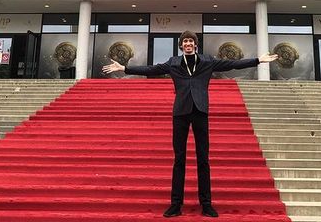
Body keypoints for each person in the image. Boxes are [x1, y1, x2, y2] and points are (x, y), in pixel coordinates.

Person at [102, 30, 278, 218]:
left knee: (203, 159)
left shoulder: (207, 61)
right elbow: (152, 69)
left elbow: (231, 65)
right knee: (179, 159)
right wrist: (125, 69)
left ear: (195, 44)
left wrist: (257, 60)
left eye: (190, 41)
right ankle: (175, 204)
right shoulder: (173, 63)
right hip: (181, 113)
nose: (188, 43)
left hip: (200, 112)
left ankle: (206, 204)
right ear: (181, 45)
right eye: (185, 41)